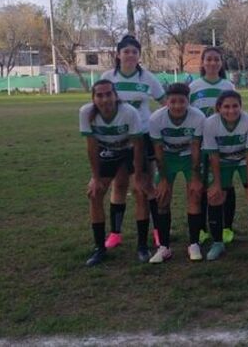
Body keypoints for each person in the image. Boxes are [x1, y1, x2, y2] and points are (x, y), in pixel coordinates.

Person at [100, 35, 165, 262]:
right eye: (126, 51)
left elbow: (165, 102)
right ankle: (115, 234)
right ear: (118, 54)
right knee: (119, 185)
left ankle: (157, 233)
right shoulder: (108, 78)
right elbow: (98, 104)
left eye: (134, 52)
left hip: (143, 136)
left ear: (139, 56)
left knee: (144, 186)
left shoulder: (148, 78)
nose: (130, 55)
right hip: (117, 139)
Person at [80, 80, 144, 266]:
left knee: (140, 191)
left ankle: (142, 246)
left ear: (116, 96)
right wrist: (95, 177)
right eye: (99, 95)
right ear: (93, 98)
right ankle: (99, 248)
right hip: (107, 151)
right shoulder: (86, 113)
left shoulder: (129, 112)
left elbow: (138, 146)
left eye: (108, 94)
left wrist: (138, 176)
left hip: (130, 150)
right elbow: (91, 147)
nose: (105, 99)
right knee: (95, 193)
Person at [202, 90, 248, 260]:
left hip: (244, 158)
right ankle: (218, 243)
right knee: (215, 196)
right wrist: (217, 184)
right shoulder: (210, 123)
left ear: (241, 107)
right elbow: (213, 155)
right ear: (219, 108)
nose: (231, 110)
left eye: (235, 106)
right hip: (222, 160)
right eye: (226, 106)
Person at [148, 83, 205, 263]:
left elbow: (196, 148)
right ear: (167, 102)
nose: (177, 106)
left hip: (189, 157)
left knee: (195, 195)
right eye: (173, 101)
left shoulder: (198, 117)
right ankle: (164, 247)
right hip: (167, 158)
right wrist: (163, 179)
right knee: (162, 198)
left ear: (188, 101)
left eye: (182, 101)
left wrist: (195, 177)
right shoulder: (156, 118)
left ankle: (194, 243)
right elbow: (157, 150)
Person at [189, 47, 236, 246]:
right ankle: (201, 229)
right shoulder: (194, 86)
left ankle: (226, 227)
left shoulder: (228, 86)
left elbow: (235, 111)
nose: (212, 63)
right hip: (200, 142)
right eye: (208, 59)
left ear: (221, 63)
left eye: (216, 59)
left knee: (225, 184)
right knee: (200, 184)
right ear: (202, 63)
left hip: (223, 142)